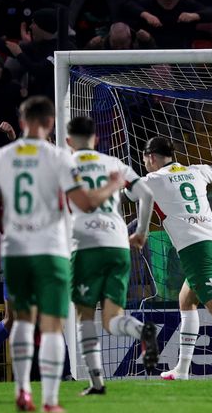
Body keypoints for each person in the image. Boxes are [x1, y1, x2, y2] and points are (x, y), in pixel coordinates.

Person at [0, 96, 125, 413]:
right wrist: (110, 186)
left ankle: (23, 391)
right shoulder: (59, 158)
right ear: (50, 123)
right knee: (52, 324)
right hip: (50, 249)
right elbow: (85, 203)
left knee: (21, 321)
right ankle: (50, 400)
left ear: (22, 123)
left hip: (16, 251)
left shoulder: (2, 156)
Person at [128, 136, 212, 381]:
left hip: (197, 252)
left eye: (144, 158)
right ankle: (181, 370)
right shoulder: (196, 171)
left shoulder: (151, 181)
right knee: (186, 301)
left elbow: (128, 193)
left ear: (151, 157)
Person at [65, 116, 159, 395]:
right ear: (95, 140)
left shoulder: (64, 165)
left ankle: (96, 382)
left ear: (69, 142)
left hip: (84, 244)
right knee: (112, 318)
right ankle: (141, 330)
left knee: (84, 315)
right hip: (118, 242)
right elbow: (146, 194)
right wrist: (140, 231)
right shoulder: (114, 163)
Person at [125, 0, 212, 49]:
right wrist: (146, 15)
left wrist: (193, 16)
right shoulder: (148, 3)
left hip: (181, 55)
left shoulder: (187, 5)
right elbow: (128, 7)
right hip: (152, 53)